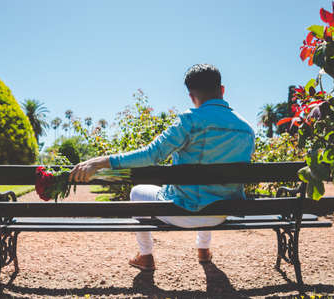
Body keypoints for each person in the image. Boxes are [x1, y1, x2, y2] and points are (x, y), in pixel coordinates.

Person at [69, 64, 255, 271]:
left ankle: (146, 255)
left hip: (183, 213)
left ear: (192, 96)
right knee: (211, 190)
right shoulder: (246, 129)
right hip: (221, 214)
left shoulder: (189, 121)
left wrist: (100, 162)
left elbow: (151, 154)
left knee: (137, 191)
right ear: (222, 90)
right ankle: (203, 249)